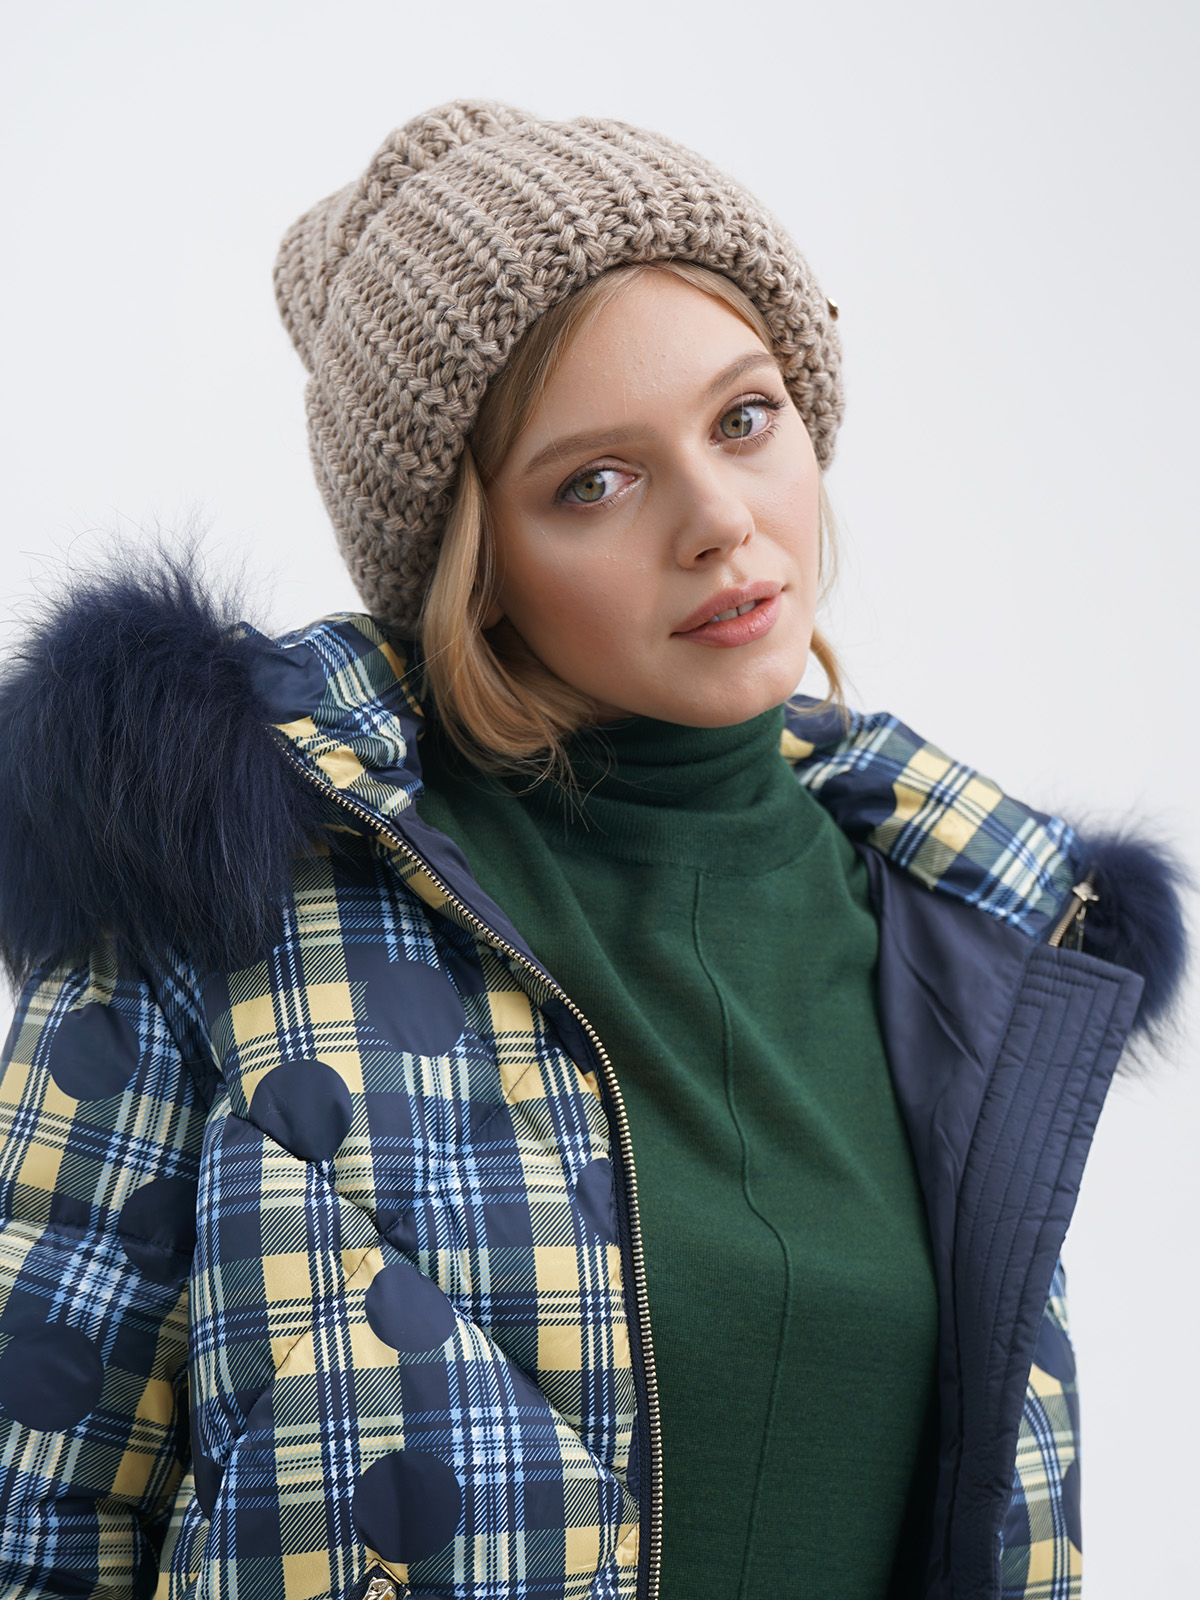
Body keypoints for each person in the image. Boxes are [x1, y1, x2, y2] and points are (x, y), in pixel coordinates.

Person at [0, 100, 1186, 1600]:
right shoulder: (219, 889)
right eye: (595, 483)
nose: (719, 521)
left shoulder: (975, 944)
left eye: (744, 419)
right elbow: (33, 1513)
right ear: (473, 565)